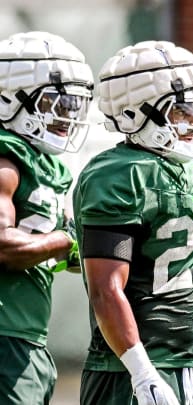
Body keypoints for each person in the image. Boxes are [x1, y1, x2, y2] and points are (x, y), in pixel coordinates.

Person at [73, 40, 193, 405]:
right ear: (133, 113)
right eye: (182, 112)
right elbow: (106, 288)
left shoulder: (182, 167)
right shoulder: (119, 175)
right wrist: (141, 371)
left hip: (181, 363)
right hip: (129, 369)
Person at [0, 31, 94, 404]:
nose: (67, 114)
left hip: (27, 336)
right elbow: (4, 245)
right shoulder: (6, 161)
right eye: (56, 100)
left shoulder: (43, 165)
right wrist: (66, 239)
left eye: (74, 103)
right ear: (9, 99)